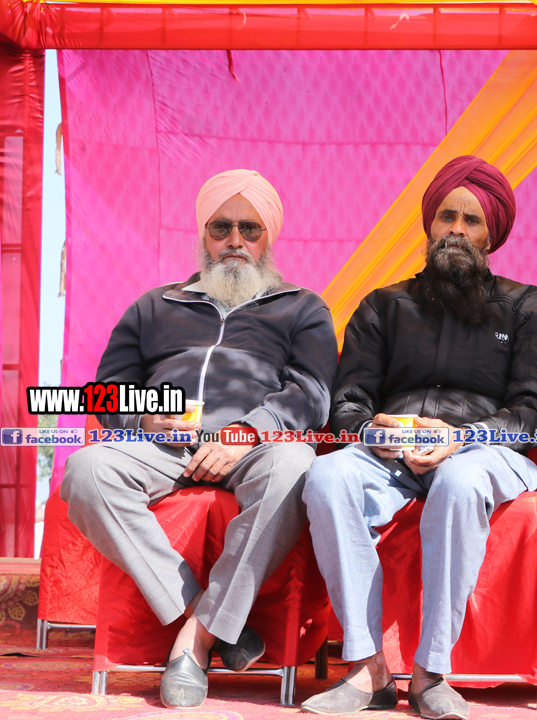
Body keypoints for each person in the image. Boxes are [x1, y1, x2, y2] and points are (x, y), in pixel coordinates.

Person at [61, 169, 338, 708]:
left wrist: (246, 431)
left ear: (268, 237)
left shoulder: (302, 307)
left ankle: (197, 639)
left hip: (253, 447)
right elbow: (106, 391)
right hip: (162, 446)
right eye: (221, 227)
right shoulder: (154, 305)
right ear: (203, 234)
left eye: (249, 229)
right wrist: (143, 417)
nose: (235, 240)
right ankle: (204, 615)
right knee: (87, 471)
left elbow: (312, 393)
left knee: (296, 467)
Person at [301, 156, 537, 719]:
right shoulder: (383, 305)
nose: (457, 230)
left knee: (460, 481)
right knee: (325, 474)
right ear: (429, 224)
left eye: (472, 220)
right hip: (390, 454)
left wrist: (462, 438)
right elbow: (346, 405)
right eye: (447, 217)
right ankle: (367, 668)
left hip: (482, 452)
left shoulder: (524, 306)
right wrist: (374, 431)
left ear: (491, 235)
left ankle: (430, 673)